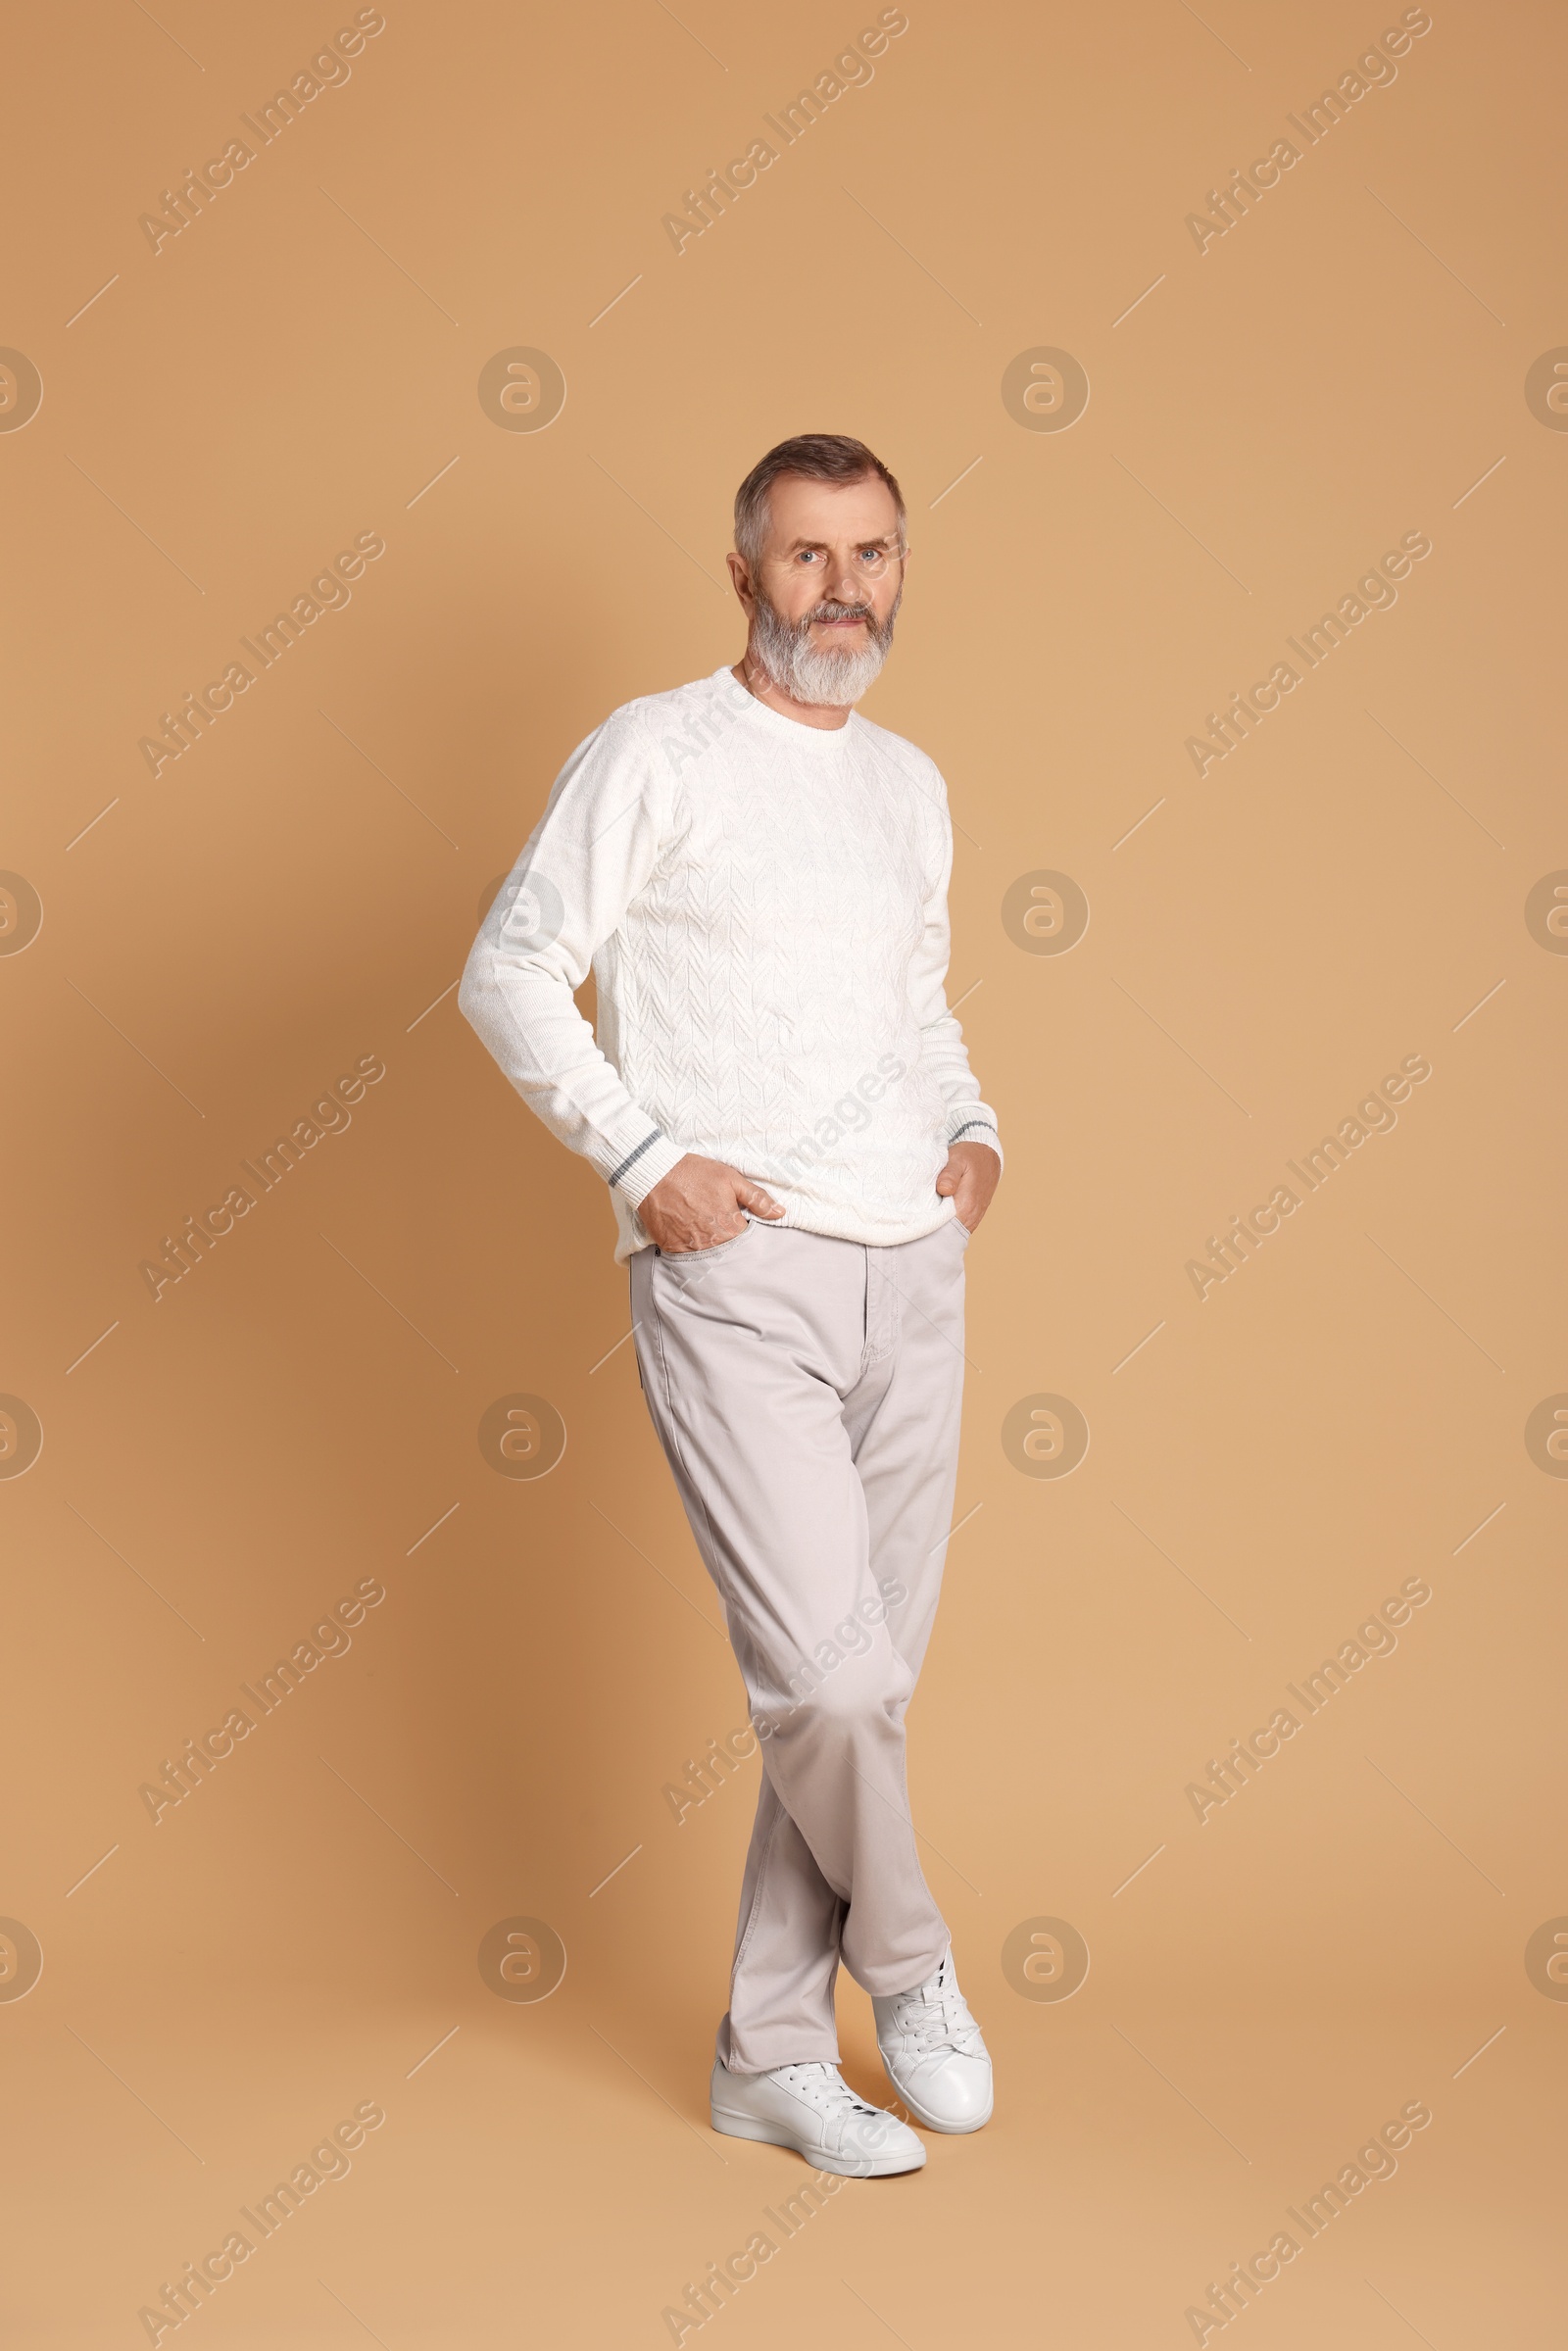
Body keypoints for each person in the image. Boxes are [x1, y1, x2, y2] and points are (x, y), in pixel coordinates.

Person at [460, 433, 1002, 2177]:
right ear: (744, 576)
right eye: (807, 556)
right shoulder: (659, 749)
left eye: (873, 554)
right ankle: (907, 1964)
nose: (843, 589)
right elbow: (512, 967)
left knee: (847, 1692)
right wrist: (643, 1159)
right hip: (735, 1267)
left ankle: (771, 2053)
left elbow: (917, 1003)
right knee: (829, 1689)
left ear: (901, 567)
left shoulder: (910, 782)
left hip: (911, 1266)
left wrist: (975, 1130)